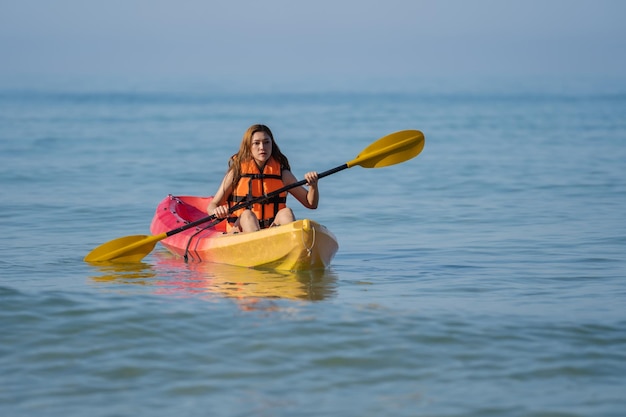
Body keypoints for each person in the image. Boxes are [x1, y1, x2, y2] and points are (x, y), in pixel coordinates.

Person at [207, 124, 319, 233]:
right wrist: (217, 211)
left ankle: (291, 245)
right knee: (247, 214)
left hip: (270, 229)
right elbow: (213, 205)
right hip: (240, 232)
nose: (262, 147)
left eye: (266, 142)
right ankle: (257, 245)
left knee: (286, 212)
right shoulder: (236, 173)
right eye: (256, 143)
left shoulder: (283, 175)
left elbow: (310, 204)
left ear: (272, 145)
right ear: (248, 146)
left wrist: (313, 186)